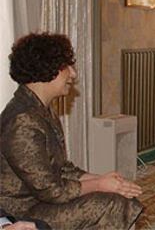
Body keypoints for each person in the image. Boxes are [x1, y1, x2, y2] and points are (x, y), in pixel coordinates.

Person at [0, 33, 143, 229]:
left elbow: (62, 168)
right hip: (22, 211)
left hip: (41, 202)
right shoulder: (23, 120)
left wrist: (104, 180)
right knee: (111, 204)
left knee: (117, 197)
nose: (73, 74)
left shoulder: (41, 109)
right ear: (46, 68)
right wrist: (99, 185)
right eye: (67, 66)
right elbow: (50, 189)